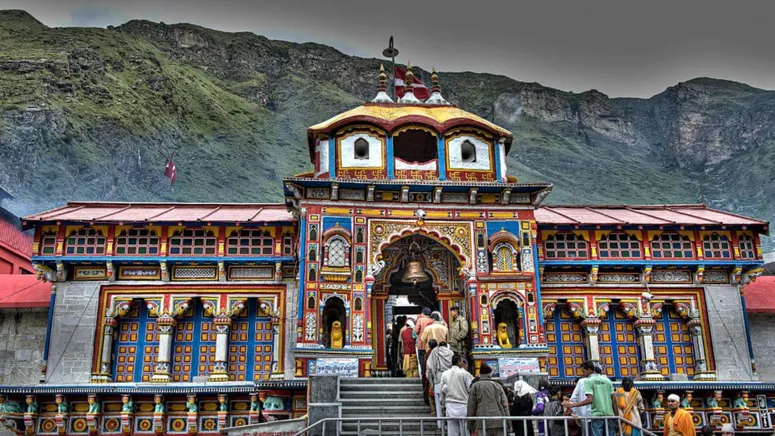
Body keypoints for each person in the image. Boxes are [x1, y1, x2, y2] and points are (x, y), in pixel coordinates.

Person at [563, 361, 617, 436]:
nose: (582, 374)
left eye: (583, 371)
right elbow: (614, 400)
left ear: (589, 370)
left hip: (596, 416)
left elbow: (589, 399)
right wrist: (616, 417)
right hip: (610, 415)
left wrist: (573, 405)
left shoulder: (588, 381)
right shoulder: (607, 381)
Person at [467, 364, 510, 436]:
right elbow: (505, 406)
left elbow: (471, 407)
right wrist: (509, 423)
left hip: (482, 422)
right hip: (499, 421)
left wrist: (470, 425)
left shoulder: (475, 386)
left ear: (480, 374)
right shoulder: (498, 386)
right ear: (490, 373)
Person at [441, 354, 474, 436]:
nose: (462, 363)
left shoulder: (445, 374)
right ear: (459, 362)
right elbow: (470, 388)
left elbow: (442, 390)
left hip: (450, 404)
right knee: (465, 430)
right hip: (463, 405)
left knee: (452, 431)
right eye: (462, 361)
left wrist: (442, 403)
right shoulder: (464, 373)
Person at [427, 341, 455, 426]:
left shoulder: (435, 352)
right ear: (446, 346)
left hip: (438, 379)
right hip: (450, 380)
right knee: (449, 402)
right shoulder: (451, 353)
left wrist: (431, 382)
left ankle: (440, 424)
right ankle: (450, 423)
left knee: (438, 404)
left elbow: (429, 367)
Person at [424, 339, 439, 412]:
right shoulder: (440, 352)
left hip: (433, 376)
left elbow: (427, 366)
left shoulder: (428, 353)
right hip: (440, 376)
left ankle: (433, 409)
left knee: (431, 394)